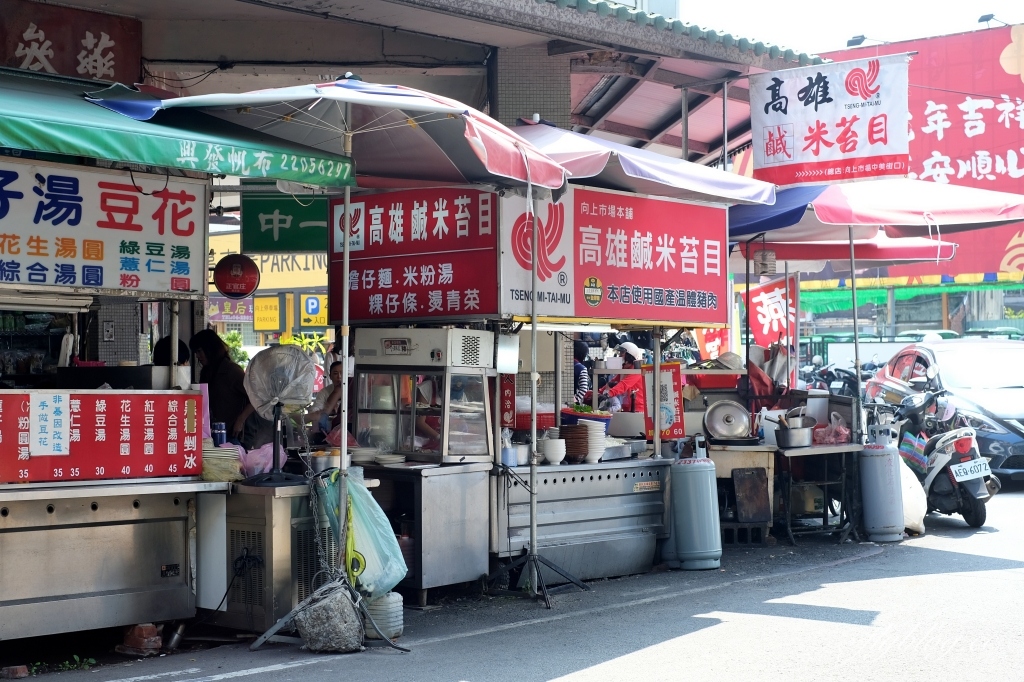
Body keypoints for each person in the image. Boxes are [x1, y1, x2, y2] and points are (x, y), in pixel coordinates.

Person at [189, 329, 252, 442]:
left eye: (199, 351)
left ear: (210, 349)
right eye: (195, 353)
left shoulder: (232, 371)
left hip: (231, 434)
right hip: (208, 433)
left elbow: (254, 399)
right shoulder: (206, 372)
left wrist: (240, 420)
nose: (198, 356)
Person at [600, 342, 646, 414]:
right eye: (620, 353)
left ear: (629, 355)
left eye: (622, 353)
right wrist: (600, 392)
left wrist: (608, 394)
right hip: (627, 408)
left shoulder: (635, 371)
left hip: (638, 409)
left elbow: (623, 385)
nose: (619, 355)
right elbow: (612, 382)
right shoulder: (624, 370)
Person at [307, 360, 345, 434]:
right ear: (330, 376)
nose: (339, 376)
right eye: (335, 373)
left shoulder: (352, 390)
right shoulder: (324, 392)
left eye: (342, 373)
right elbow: (315, 409)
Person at [573, 340, 591, 405]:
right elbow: (584, 389)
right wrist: (575, 400)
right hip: (572, 402)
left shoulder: (565, 364)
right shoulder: (582, 368)